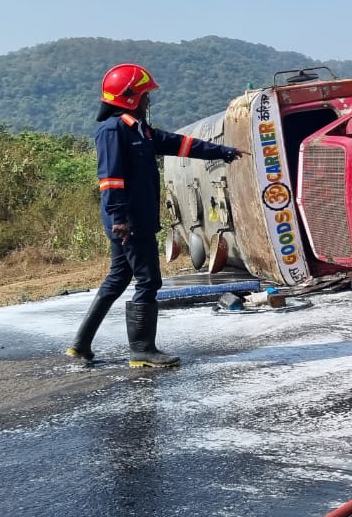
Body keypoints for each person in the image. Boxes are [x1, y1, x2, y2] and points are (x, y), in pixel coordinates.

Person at [66, 63, 245, 367]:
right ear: (130, 97)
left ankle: (80, 345)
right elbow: (110, 179)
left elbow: (179, 144)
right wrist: (119, 217)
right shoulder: (113, 131)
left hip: (134, 219)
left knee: (118, 278)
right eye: (145, 95)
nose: (149, 101)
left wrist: (221, 152)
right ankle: (142, 350)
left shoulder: (140, 130)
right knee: (149, 281)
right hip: (130, 222)